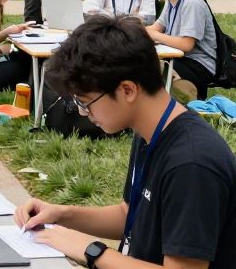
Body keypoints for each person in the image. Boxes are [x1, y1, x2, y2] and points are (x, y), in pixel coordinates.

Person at [14, 15, 236, 268]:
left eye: (85, 102)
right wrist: (62, 214)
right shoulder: (150, 130)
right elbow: (129, 216)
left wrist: (91, 251)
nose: (83, 113)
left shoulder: (191, 164)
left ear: (128, 90)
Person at [142, 0, 218, 101]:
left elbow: (186, 44)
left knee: (149, 70)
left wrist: (156, 36)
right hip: (181, 58)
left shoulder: (192, 3)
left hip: (199, 64)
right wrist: (140, 33)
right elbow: (157, 27)